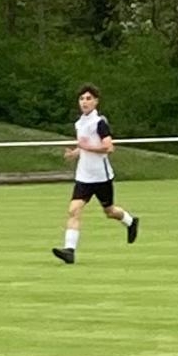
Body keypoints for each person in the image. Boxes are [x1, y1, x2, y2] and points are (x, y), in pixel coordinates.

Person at [51, 85, 139, 264]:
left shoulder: (99, 123)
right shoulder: (79, 123)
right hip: (84, 176)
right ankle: (69, 251)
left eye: (88, 98)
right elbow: (84, 146)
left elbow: (109, 147)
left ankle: (130, 222)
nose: (84, 102)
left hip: (101, 177)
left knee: (110, 211)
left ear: (96, 101)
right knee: (73, 210)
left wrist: (86, 147)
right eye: (82, 99)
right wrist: (75, 153)